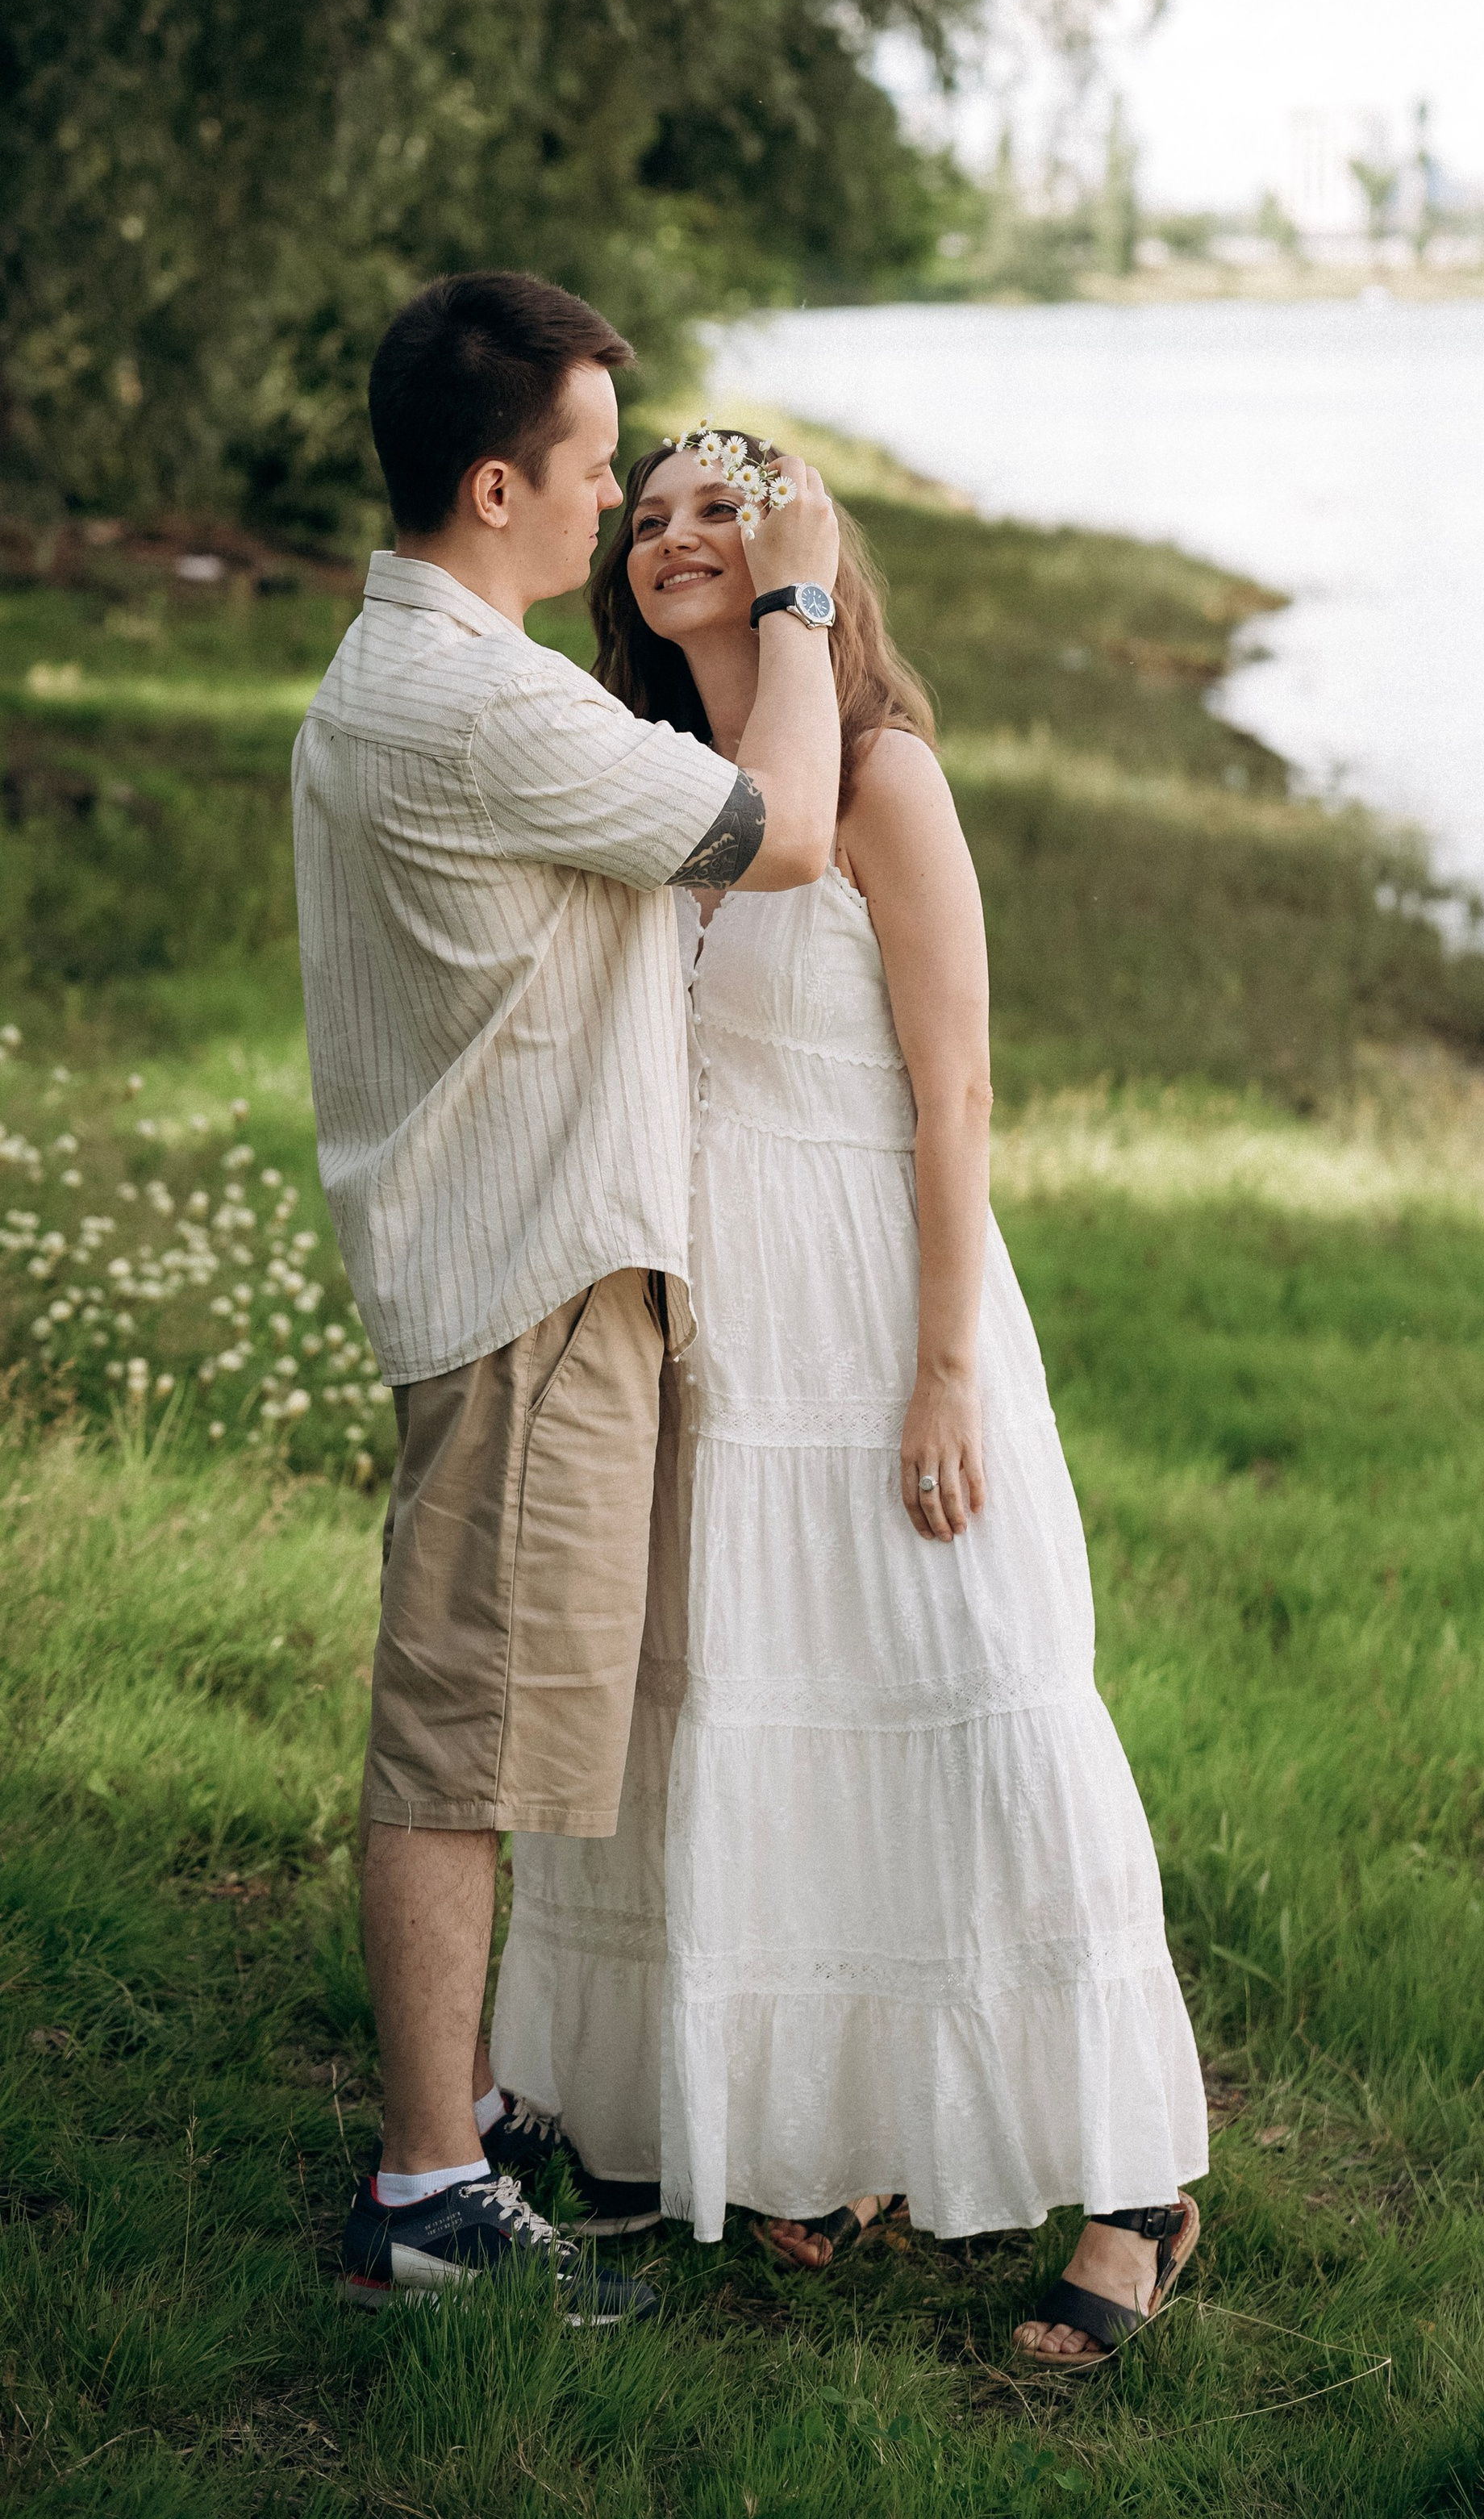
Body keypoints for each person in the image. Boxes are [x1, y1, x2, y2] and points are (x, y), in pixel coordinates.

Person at [493, 431, 1208, 2367]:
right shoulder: (666, 780)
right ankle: (834, 2131)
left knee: (968, 1701)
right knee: (761, 1710)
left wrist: (945, 1371)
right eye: (646, 516)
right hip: (711, 1324)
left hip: (880, 1307)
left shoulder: (884, 771)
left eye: (716, 509)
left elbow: (953, 1089)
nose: (671, 536)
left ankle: (1137, 2183)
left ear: (798, 546)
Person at [292, 278, 844, 2317]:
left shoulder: (423, 674)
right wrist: (797, 597)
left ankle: (464, 2112)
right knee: (464, 1740)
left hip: (501, 1257)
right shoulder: (482, 705)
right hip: (528, 1275)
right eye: (599, 469)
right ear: (497, 486)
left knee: (487, 1714)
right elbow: (779, 834)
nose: (618, 502)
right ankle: (431, 2194)